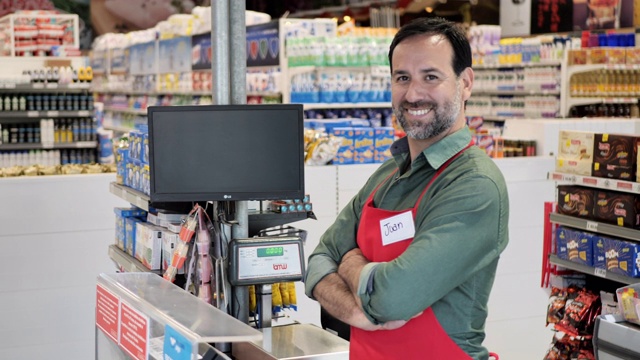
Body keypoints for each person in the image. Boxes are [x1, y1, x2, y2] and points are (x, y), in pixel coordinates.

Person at [304, 17, 509, 360]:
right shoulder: (389, 172)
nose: (413, 94)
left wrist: (352, 266)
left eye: (431, 77)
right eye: (403, 78)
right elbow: (318, 261)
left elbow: (392, 300)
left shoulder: (474, 184)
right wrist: (359, 314)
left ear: (466, 83)